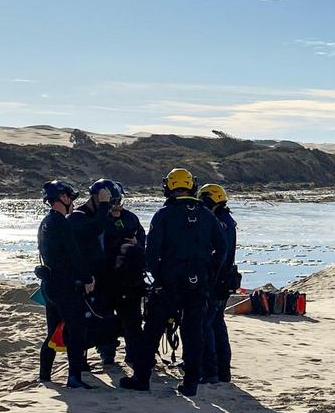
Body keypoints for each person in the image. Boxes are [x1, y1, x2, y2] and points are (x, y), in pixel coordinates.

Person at [120, 168, 226, 397]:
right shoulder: (206, 214)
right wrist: (210, 273)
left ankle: (142, 378)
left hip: (169, 281)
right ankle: (190, 383)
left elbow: (152, 250)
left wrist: (158, 276)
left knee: (153, 330)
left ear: (168, 187)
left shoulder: (164, 215)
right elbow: (222, 247)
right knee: (193, 331)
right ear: (192, 186)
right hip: (197, 282)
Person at [36, 181, 95, 388]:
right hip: (64, 286)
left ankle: (44, 376)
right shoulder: (62, 223)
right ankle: (74, 378)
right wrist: (87, 278)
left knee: (52, 331)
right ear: (62, 197)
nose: (72, 202)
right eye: (70, 197)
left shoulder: (45, 222)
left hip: (49, 285)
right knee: (75, 330)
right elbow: (73, 254)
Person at [97, 181, 146, 367]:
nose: (117, 204)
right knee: (105, 317)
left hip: (130, 279)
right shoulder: (100, 219)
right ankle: (107, 353)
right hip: (105, 278)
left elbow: (142, 241)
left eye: (120, 200)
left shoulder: (131, 218)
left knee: (133, 320)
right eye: (114, 200)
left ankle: (132, 354)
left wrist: (136, 244)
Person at [67, 179, 115, 361]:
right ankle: (81, 359)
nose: (110, 207)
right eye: (108, 202)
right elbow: (94, 229)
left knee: (105, 315)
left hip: (102, 275)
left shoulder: (103, 215)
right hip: (84, 277)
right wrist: (103, 205)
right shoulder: (77, 216)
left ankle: (107, 352)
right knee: (85, 319)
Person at [198, 183, 237, 384]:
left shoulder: (218, 222)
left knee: (207, 323)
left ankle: (210, 371)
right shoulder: (227, 221)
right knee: (217, 324)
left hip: (215, 280)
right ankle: (223, 371)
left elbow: (217, 252)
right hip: (223, 280)